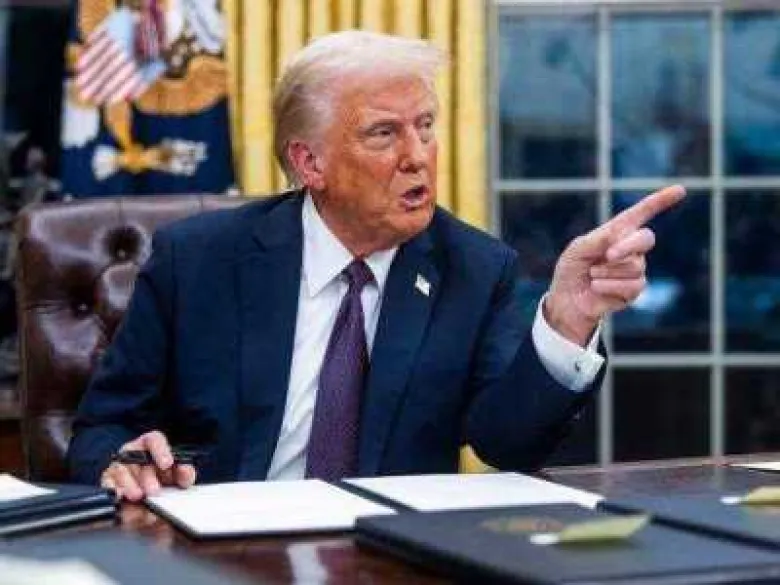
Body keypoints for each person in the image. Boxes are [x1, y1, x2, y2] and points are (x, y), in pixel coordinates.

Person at [68, 31, 685, 501]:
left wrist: (567, 320)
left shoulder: (473, 268)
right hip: (220, 556)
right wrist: (123, 460)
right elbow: (102, 428)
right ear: (309, 163)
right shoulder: (199, 259)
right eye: (384, 134)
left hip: (387, 559)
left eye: (425, 127)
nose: (418, 156)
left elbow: (508, 445)